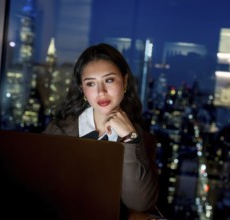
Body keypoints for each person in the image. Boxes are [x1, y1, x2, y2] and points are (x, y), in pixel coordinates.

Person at [44, 43, 159, 216]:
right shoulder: (58, 130)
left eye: (109, 80)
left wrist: (130, 137)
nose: (101, 92)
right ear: (83, 89)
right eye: (91, 83)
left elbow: (139, 202)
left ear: (125, 81)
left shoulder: (142, 138)